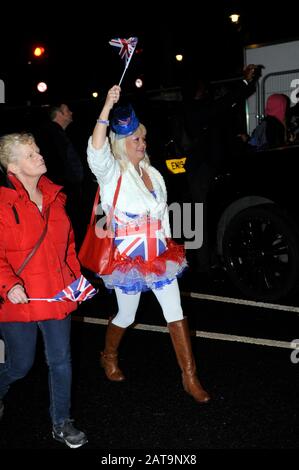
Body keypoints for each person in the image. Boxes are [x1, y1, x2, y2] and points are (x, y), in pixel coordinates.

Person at [86, 85, 210, 404]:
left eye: (143, 138)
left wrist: (167, 244)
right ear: (121, 144)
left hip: (158, 256)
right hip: (128, 261)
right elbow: (96, 150)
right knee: (126, 315)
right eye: (136, 140)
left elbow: (163, 217)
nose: (142, 143)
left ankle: (189, 377)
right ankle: (108, 355)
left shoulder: (153, 173)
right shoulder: (112, 173)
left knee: (175, 312)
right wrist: (106, 106)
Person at [0, 133, 87, 448]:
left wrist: (76, 281)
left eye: (37, 149)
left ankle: (61, 423)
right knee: (20, 365)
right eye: (29, 154)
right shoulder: (2, 203)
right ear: (13, 166)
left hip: (55, 294)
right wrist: (8, 285)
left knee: (60, 360)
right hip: (18, 299)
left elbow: (66, 247)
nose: (39, 155)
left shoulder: (56, 197)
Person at [181, 64, 259, 273]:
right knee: (199, 217)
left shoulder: (202, 108)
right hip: (199, 171)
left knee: (208, 216)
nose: (205, 90)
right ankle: (204, 263)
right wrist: (243, 83)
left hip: (208, 169)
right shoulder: (193, 110)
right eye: (201, 87)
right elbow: (221, 106)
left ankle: (211, 258)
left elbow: (221, 119)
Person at [34, 103, 85, 245]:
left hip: (67, 192)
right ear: (59, 114)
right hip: (61, 194)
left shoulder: (60, 133)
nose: (71, 112)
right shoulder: (47, 134)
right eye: (67, 110)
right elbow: (54, 166)